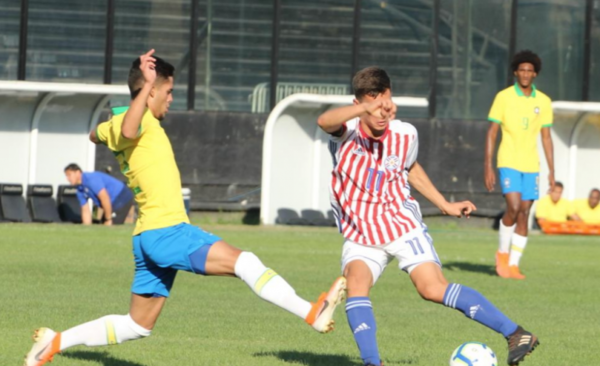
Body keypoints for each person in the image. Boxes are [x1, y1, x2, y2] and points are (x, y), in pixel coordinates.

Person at [24, 50, 346, 366]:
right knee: (245, 262)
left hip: (147, 236)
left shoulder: (117, 121)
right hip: (168, 231)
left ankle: (54, 342)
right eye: (168, 91)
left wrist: (130, 107)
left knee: (137, 326)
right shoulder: (132, 122)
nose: (172, 98)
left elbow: (96, 135)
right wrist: (146, 88)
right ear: (150, 91)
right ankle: (310, 312)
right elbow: (127, 130)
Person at [317, 66, 539, 366]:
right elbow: (323, 121)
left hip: (401, 225)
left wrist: (444, 204)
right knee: (357, 284)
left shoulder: (405, 134)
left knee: (432, 288)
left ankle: (516, 334)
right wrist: (364, 110)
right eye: (374, 107)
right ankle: (373, 362)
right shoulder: (347, 133)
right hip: (361, 232)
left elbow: (409, 169)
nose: (383, 114)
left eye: (387, 104)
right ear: (358, 105)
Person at [484, 50, 554, 280]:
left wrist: (552, 172)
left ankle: (513, 265)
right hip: (508, 161)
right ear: (515, 72)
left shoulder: (543, 101)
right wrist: (488, 165)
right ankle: (502, 255)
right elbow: (492, 132)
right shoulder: (504, 97)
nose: (525, 73)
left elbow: (546, 137)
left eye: (529, 70)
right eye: (521, 69)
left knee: (524, 212)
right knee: (513, 207)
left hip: (531, 165)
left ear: (535, 74)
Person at [64, 163, 134, 225]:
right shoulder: (80, 190)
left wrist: (108, 219)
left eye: (69, 175)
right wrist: (86, 229)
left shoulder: (90, 179)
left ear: (78, 172)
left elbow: (105, 198)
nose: (68, 178)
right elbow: (85, 210)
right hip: (111, 202)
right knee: (103, 226)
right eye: (66, 176)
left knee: (111, 227)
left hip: (122, 197)